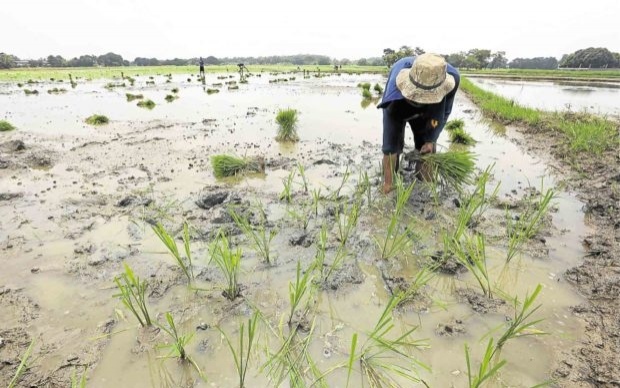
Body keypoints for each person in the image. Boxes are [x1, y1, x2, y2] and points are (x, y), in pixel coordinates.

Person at [378, 53, 460, 194]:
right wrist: (388, 184)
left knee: (427, 148)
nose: (422, 101)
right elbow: (389, 143)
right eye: (419, 98)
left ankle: (425, 187)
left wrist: (431, 139)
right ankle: (390, 182)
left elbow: (444, 114)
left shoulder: (452, 78)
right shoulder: (395, 89)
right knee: (392, 148)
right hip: (400, 103)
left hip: (433, 109)